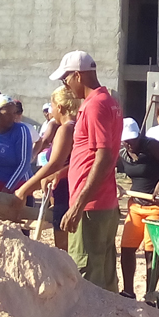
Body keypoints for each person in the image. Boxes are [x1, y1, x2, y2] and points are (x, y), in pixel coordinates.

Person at [51, 50, 122, 292]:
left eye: (66, 79)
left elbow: (103, 156)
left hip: (91, 206)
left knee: (84, 277)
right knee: (103, 271)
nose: (66, 85)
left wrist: (78, 204)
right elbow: (93, 156)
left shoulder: (95, 106)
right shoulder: (108, 102)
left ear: (78, 75)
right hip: (103, 202)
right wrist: (61, 174)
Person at [119, 118, 159, 299]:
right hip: (135, 204)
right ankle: (128, 291)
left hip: (157, 206)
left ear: (138, 136)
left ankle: (150, 294)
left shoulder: (151, 146)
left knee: (150, 252)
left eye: (132, 140)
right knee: (127, 247)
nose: (129, 144)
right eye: (125, 140)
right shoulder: (123, 152)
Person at [15, 85, 81, 252]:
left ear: (59, 107)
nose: (50, 112)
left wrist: (25, 189)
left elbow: (55, 164)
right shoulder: (76, 125)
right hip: (66, 188)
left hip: (65, 190)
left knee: (63, 246)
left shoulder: (66, 128)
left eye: (51, 106)